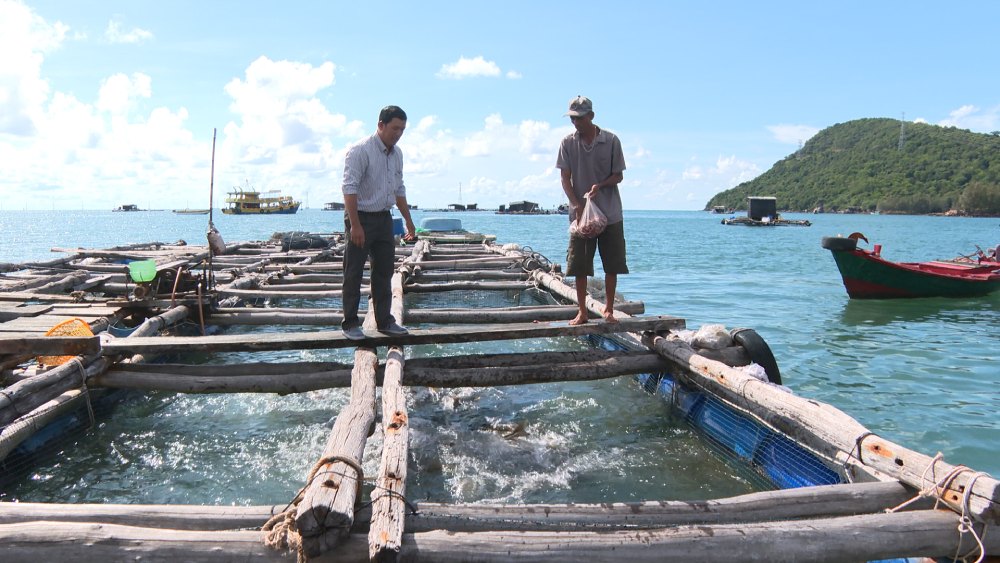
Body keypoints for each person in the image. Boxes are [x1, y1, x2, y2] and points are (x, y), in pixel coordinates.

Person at [340, 105, 416, 340]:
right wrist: (355, 225)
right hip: (360, 216)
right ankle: (350, 323)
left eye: (402, 129)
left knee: (383, 272)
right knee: (353, 272)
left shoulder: (398, 154)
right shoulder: (360, 150)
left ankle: (384, 321)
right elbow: (349, 188)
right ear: (380, 125)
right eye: (394, 128)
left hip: (384, 218)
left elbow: (399, 189)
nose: (398, 133)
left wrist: (408, 221)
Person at [556, 95, 627, 325]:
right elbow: (565, 178)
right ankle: (582, 312)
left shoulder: (611, 140)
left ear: (591, 116)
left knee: (612, 263)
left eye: (579, 118)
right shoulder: (568, 143)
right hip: (581, 215)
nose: (575, 122)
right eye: (572, 118)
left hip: (610, 211)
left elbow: (619, 175)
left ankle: (608, 309)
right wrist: (576, 204)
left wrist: (601, 185)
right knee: (579, 264)